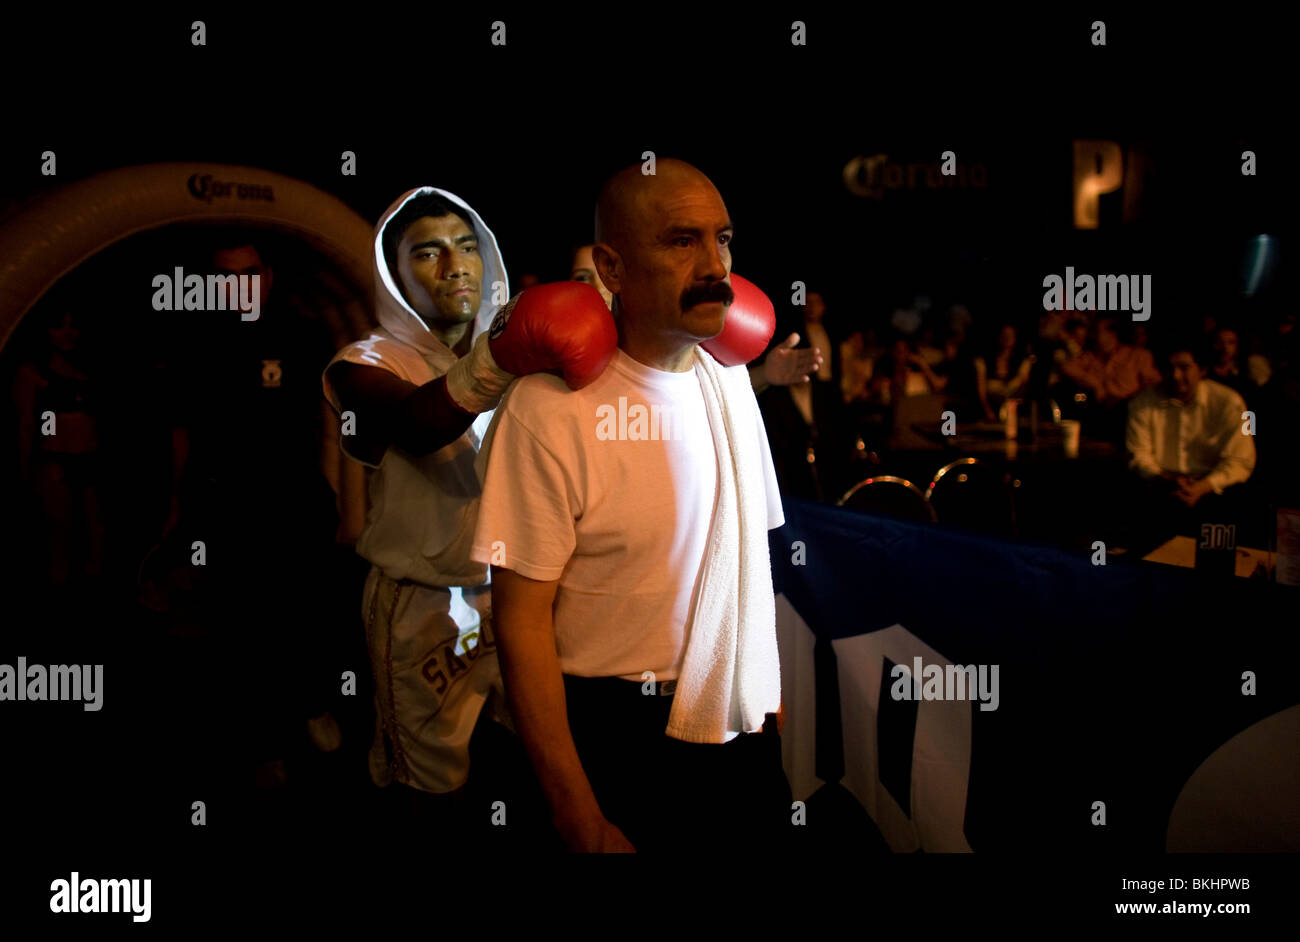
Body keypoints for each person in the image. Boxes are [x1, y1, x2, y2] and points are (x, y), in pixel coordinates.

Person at [473, 159, 791, 853]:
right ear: (611, 267)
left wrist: (765, 689)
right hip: (613, 734)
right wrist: (576, 813)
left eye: (724, 240)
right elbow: (520, 623)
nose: (715, 265)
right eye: (682, 241)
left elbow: (750, 563)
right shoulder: (548, 413)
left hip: (736, 721)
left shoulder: (730, 382)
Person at [322, 189, 615, 835]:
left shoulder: (534, 358)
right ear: (394, 276)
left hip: (521, 596)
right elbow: (415, 423)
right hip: (422, 605)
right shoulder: (363, 364)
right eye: (427, 252)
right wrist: (503, 358)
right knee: (430, 783)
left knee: (544, 758)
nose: (454, 264)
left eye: (465, 246)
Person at [570, 242, 822, 393]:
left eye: (604, 272)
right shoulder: (555, 359)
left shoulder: (662, 337)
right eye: (583, 276)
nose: (596, 286)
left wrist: (765, 374)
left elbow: (707, 398)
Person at [1123, 332, 1257, 554]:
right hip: (1161, 488)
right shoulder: (1143, 402)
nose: (1175, 376)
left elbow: (1241, 460)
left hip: (1215, 494)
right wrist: (1167, 479)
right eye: (1169, 368)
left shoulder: (1228, 402)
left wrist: (1203, 487)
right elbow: (1139, 454)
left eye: (1184, 367)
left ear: (1202, 370)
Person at [12, 305, 105, 590]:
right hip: (54, 462)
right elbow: (26, 424)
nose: (68, 332)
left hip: (90, 460)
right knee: (59, 541)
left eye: (73, 325)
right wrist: (26, 472)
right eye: (59, 325)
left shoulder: (87, 368)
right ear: (45, 331)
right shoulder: (33, 371)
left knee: (97, 540)